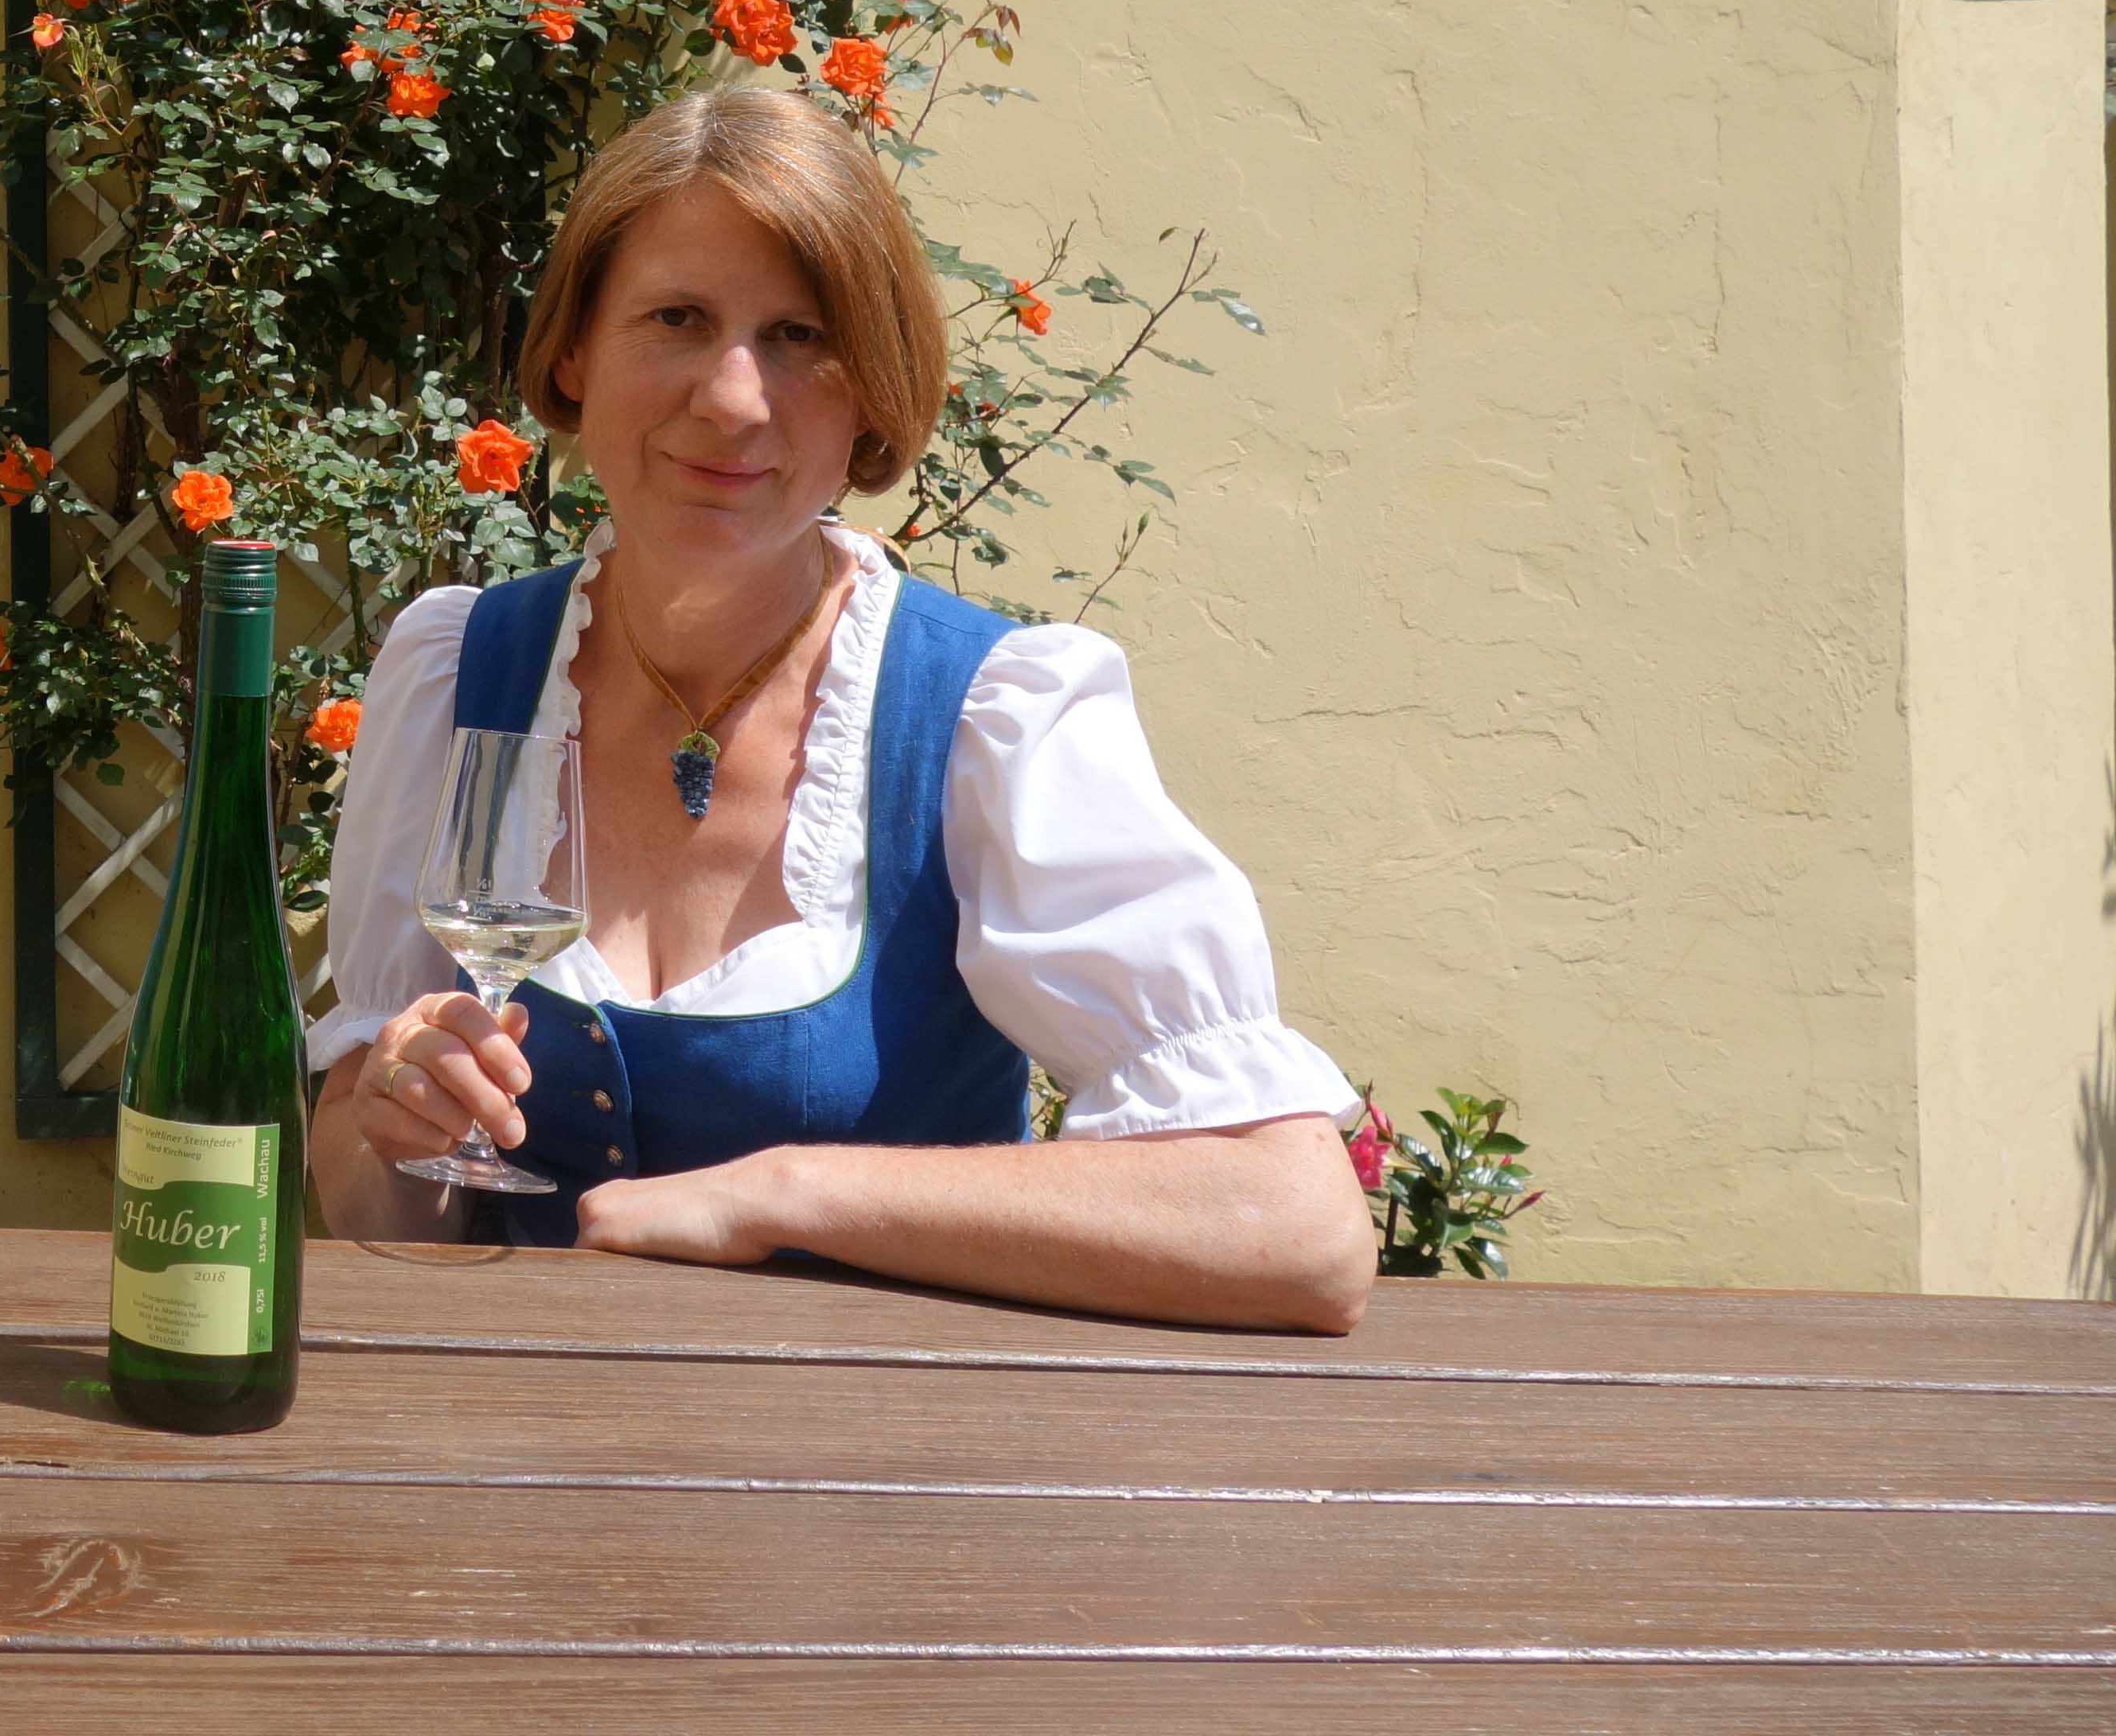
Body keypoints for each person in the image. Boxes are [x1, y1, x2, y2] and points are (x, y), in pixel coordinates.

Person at [306, 87, 1374, 1333]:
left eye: (802, 336)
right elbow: (373, 1212)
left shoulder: (989, 719)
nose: (735, 399)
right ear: (573, 353)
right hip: (525, 1461)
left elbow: (1296, 1235)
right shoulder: (459, 672)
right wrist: (399, 1122)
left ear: (872, 392)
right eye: (676, 319)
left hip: (889, 1482)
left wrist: (788, 1194)